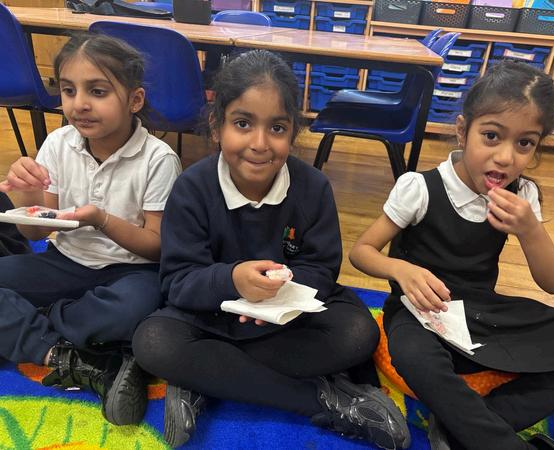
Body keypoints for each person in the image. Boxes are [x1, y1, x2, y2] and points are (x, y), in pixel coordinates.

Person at [131, 50, 409, 450]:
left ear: (292, 133)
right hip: (211, 317)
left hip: (286, 320)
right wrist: (232, 280)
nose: (260, 144)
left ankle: (202, 379)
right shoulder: (192, 188)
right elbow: (177, 281)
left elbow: (321, 269)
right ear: (216, 126)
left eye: (276, 128)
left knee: (356, 332)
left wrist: (280, 293)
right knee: (154, 340)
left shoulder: (312, 187)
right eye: (243, 124)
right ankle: (321, 400)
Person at [349, 60, 554, 450]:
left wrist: (530, 230)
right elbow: (361, 251)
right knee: (415, 358)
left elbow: (553, 283)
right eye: (491, 136)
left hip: (481, 315)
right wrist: (401, 270)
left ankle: (470, 424)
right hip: (419, 313)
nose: (506, 157)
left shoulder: (522, 194)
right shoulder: (420, 187)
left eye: (525, 143)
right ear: (463, 130)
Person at [0, 33, 181, 426]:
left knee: (137, 309)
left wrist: (101, 219)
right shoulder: (58, 143)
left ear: (135, 100)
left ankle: (34, 322)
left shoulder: (158, 159)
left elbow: (157, 247)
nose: (79, 103)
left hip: (132, 272)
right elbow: (36, 234)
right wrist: (27, 192)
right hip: (64, 262)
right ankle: (74, 345)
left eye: (97, 91)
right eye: (68, 90)